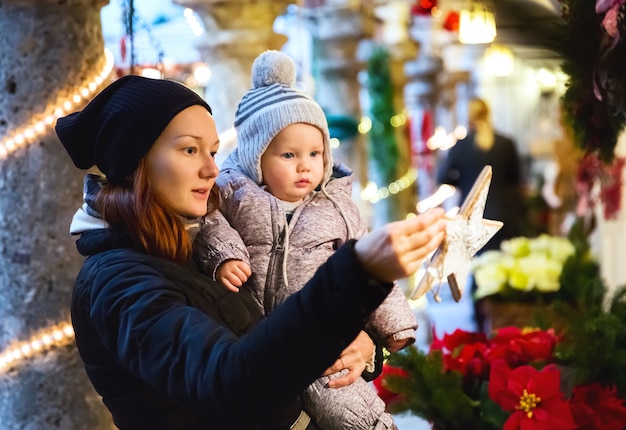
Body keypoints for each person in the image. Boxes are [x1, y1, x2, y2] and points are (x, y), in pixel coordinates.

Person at [55, 74, 447, 430]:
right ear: (136, 162)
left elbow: (279, 322)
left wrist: (362, 344)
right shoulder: (117, 282)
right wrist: (357, 273)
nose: (212, 169)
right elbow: (229, 381)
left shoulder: (201, 241)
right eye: (190, 150)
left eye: (212, 151)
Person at [194, 50, 416, 430]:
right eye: (288, 154)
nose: (305, 165)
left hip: (321, 333)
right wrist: (225, 254)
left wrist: (395, 326)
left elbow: (367, 261)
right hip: (259, 339)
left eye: (315, 153)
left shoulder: (335, 206)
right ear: (255, 155)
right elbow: (208, 220)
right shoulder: (234, 192)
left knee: (345, 398)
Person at [436, 97, 526, 332]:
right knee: (504, 267)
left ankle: (479, 323)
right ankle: (506, 321)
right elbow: (516, 179)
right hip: (505, 216)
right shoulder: (506, 143)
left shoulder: (462, 146)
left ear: (469, 117)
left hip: (474, 219)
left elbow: (442, 176)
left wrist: (464, 182)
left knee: (477, 269)